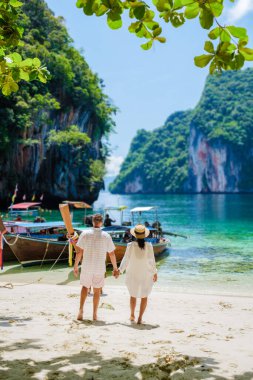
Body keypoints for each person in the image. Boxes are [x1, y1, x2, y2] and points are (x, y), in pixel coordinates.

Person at [73, 214, 119, 321]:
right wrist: (115, 268)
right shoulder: (106, 235)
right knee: (97, 291)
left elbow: (79, 252)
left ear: (93, 222)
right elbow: (112, 254)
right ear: (101, 222)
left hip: (87, 266)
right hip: (99, 268)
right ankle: (94, 314)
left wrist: (75, 266)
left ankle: (80, 310)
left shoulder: (85, 234)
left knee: (85, 287)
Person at [118, 224, 157, 324]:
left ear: (135, 235)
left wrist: (120, 270)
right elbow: (152, 261)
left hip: (133, 273)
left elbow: (125, 259)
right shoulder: (149, 246)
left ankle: (132, 315)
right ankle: (140, 318)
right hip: (146, 274)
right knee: (144, 296)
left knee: (133, 295)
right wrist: (154, 272)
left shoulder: (130, 245)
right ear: (145, 235)